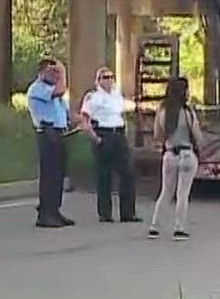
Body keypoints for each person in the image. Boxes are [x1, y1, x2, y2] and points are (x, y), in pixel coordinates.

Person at [79, 67, 139, 223]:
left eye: (111, 77)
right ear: (98, 80)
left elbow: (121, 114)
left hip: (118, 133)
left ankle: (128, 213)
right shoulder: (93, 97)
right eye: (105, 77)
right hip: (103, 134)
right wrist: (95, 138)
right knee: (104, 175)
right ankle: (105, 213)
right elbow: (85, 120)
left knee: (127, 173)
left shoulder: (116, 94)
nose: (109, 80)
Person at [148, 76, 201, 240]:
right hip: (186, 154)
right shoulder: (188, 112)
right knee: (182, 193)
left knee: (166, 191)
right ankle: (179, 228)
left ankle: (154, 226)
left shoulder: (162, 112)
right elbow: (197, 136)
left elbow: (157, 135)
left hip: (170, 154)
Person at [25, 58, 74, 228]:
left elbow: (66, 112)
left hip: (59, 133)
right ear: (41, 72)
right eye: (51, 71)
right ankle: (45, 214)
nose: (55, 75)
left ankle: (55, 210)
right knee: (50, 175)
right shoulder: (37, 88)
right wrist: (63, 71)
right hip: (47, 134)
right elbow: (60, 90)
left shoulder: (54, 92)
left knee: (59, 175)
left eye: (56, 72)